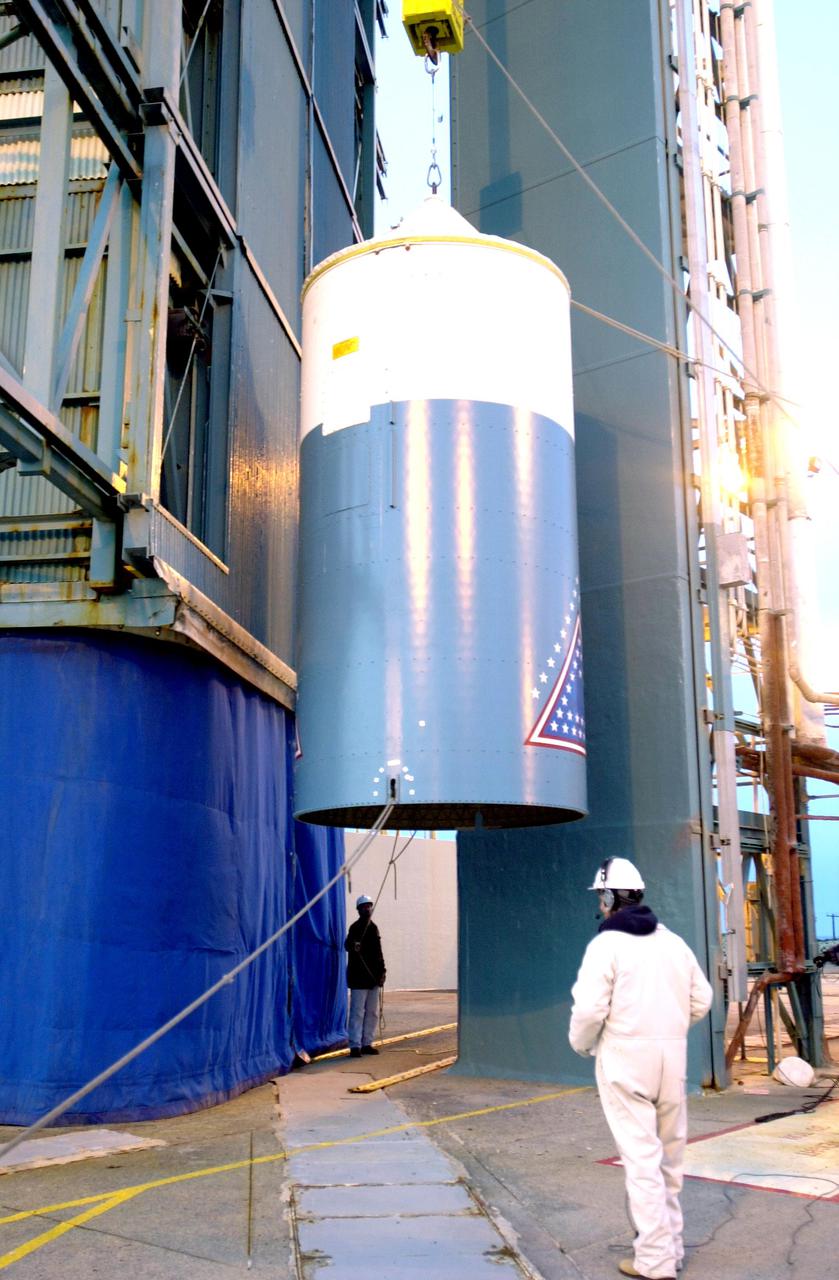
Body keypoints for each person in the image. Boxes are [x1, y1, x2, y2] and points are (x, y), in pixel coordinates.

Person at [568, 857, 713, 1280]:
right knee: (669, 1158)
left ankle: (653, 1260)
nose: (599, 905)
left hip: (625, 1059)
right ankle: (671, 1250)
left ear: (610, 897)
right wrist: (666, 1028)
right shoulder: (674, 943)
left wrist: (582, 1045)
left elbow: (591, 1010)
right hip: (672, 1059)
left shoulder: (606, 945)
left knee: (642, 1160)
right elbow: (701, 1000)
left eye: (601, 896)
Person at [345, 893, 386, 1058]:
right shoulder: (354, 928)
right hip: (358, 978)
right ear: (359, 910)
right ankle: (355, 1045)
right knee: (357, 1012)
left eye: (369, 906)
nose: (367, 909)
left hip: (373, 978)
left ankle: (367, 1043)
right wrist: (354, 945)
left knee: (372, 1012)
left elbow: (378, 952)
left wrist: (382, 971)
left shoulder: (373, 927)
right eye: (364, 907)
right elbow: (347, 945)